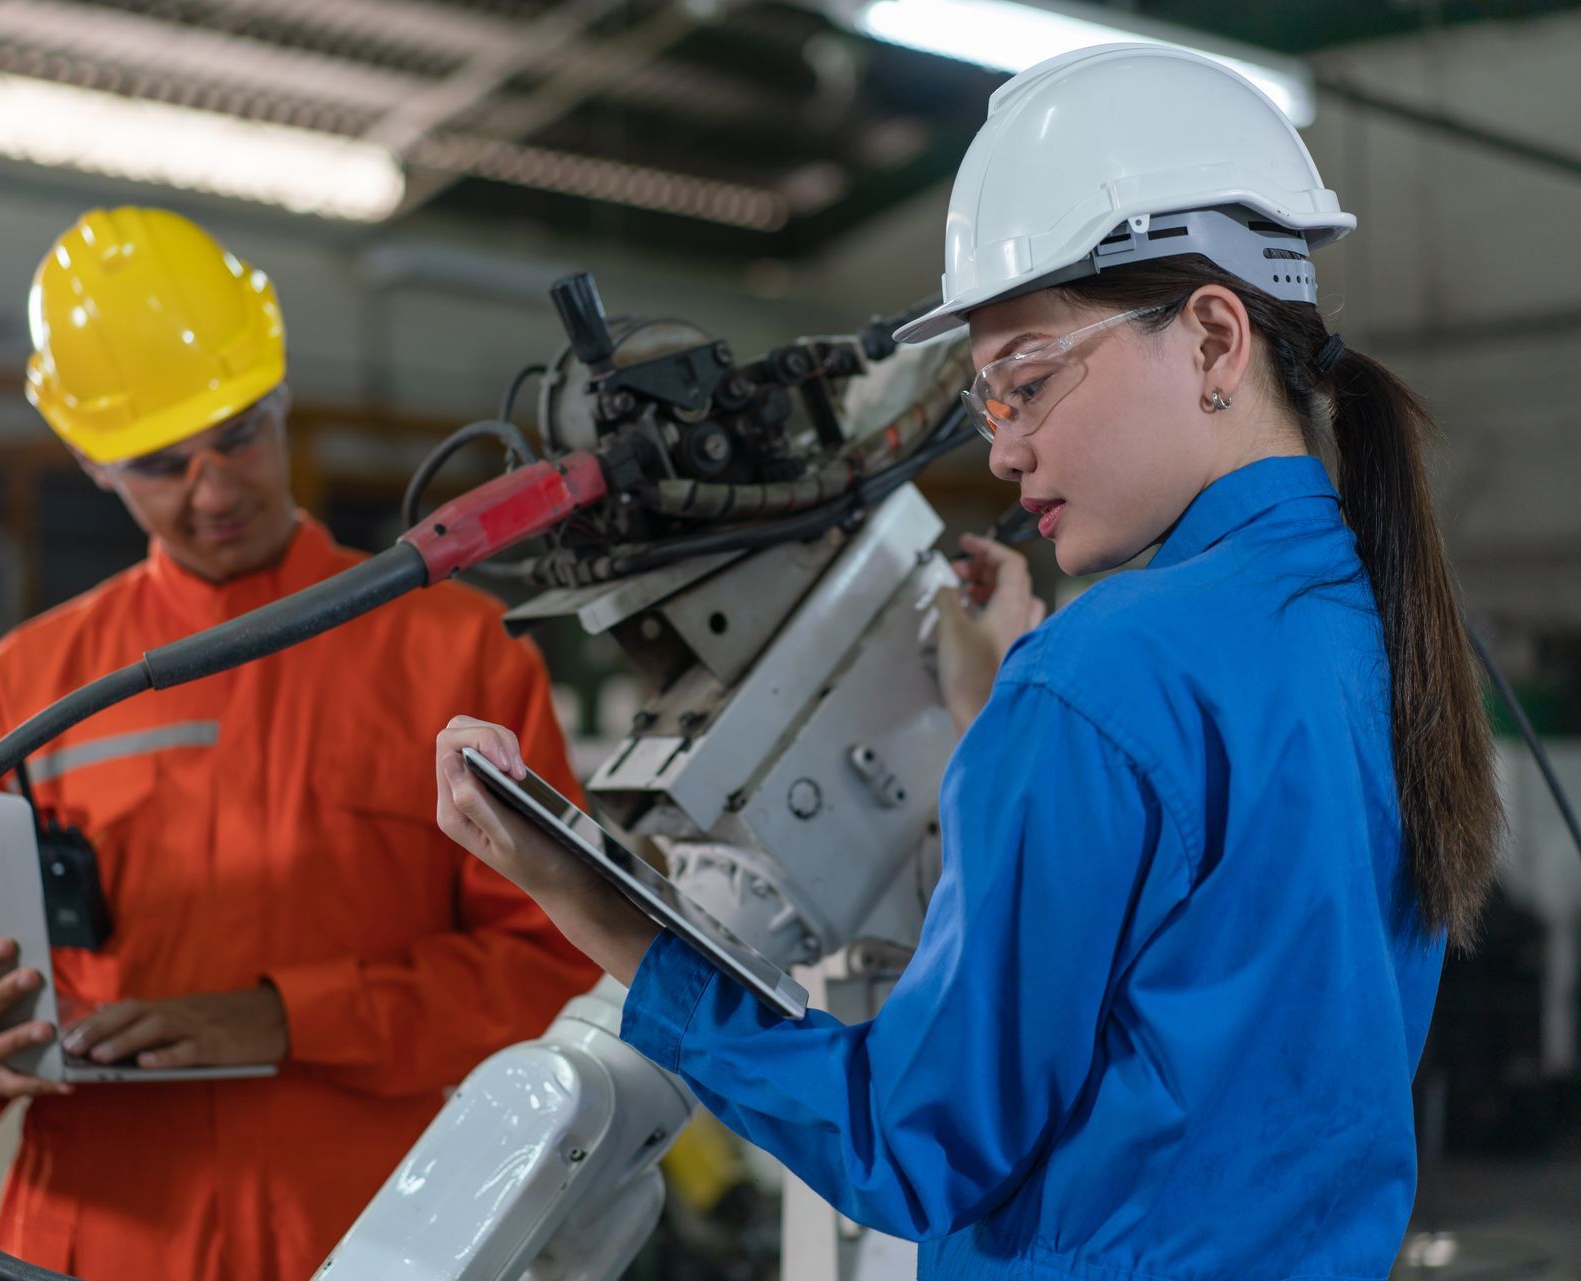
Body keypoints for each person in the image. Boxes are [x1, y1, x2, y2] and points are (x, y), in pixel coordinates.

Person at [431, 44, 1501, 1280]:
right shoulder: (1378, 627)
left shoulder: (1103, 676)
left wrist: (603, 917)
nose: (1002, 452)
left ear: (1214, 340)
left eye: (1028, 383)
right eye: (987, 401)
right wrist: (997, 707)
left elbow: (912, 1144)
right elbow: (1218, 1007)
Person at [0, 206, 598, 1278]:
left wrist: (291, 1017)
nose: (215, 487)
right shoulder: (29, 687)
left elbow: (551, 959)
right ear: (93, 464)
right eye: (159, 462)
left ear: (280, 402)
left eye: (238, 434)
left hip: (379, 1227)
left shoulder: (453, 655)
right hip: (101, 1238)